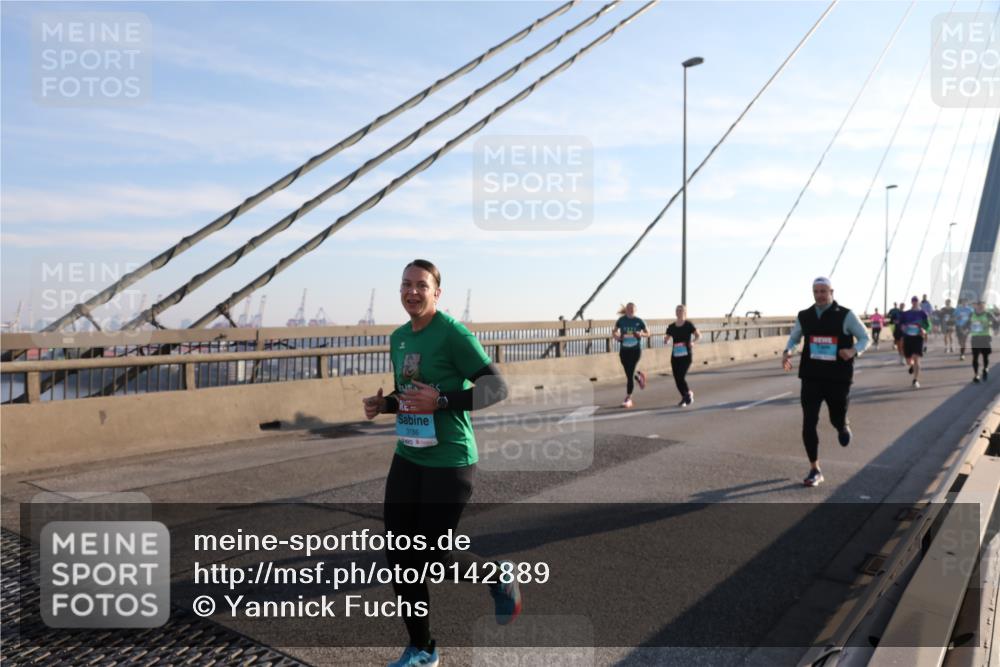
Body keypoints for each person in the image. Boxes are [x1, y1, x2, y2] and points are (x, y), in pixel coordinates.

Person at [362, 259, 520, 667]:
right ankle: (423, 649)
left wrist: (445, 401)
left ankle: (498, 576)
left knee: (432, 556)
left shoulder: (453, 334)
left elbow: (497, 387)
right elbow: (411, 394)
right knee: (401, 558)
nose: (412, 292)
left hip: (450, 460)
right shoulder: (399, 337)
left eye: (421, 285)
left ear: (437, 292)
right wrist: (385, 405)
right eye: (406, 285)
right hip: (408, 456)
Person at [782, 277, 870, 487]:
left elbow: (866, 338)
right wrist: (788, 351)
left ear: (832, 292)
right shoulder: (805, 315)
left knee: (836, 417)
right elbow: (794, 338)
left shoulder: (846, 315)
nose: (820, 295)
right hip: (811, 376)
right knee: (809, 421)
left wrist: (853, 350)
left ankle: (842, 425)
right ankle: (815, 468)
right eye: (816, 291)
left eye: (823, 291)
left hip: (838, 377)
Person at [613, 302, 649, 408]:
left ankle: (628, 398)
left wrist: (641, 334)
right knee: (629, 372)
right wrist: (618, 337)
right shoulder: (621, 320)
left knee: (629, 376)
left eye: (632, 308)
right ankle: (638, 377)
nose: (630, 310)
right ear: (626, 309)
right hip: (624, 351)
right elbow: (614, 332)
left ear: (635, 310)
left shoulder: (639, 321)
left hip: (635, 350)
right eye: (629, 308)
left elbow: (648, 333)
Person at [664, 304, 700, 406]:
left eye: (681, 310)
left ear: (685, 313)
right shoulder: (671, 326)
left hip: (686, 355)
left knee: (680, 376)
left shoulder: (688, 325)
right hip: (675, 356)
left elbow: (698, 335)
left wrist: (693, 342)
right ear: (675, 313)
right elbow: (667, 337)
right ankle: (685, 396)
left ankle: (688, 393)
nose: (679, 312)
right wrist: (666, 340)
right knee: (677, 379)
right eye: (677, 310)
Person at [898, 296, 931, 388]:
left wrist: (924, 330)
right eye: (913, 301)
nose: (915, 302)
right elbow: (900, 324)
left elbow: (928, 326)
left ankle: (915, 380)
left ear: (918, 302)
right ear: (911, 302)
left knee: (916, 358)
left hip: (918, 337)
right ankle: (911, 365)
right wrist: (902, 327)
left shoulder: (923, 313)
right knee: (908, 360)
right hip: (907, 337)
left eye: (916, 301)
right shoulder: (905, 314)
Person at [966, 300, 999, 383]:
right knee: (975, 357)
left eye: (982, 305)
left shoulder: (988, 314)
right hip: (975, 338)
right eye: (979, 305)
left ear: (984, 306)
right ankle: (976, 375)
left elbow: (996, 322)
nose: (980, 307)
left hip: (985, 338)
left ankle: (985, 369)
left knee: (985, 356)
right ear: (976, 306)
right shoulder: (972, 314)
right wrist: (965, 329)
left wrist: (995, 329)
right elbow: (967, 323)